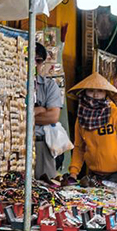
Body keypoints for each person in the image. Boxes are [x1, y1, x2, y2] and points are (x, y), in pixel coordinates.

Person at [67, 73, 117, 184]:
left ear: (106, 94)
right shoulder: (81, 119)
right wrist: (73, 173)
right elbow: (79, 148)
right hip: (93, 176)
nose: (95, 95)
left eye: (100, 91)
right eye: (91, 90)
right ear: (84, 92)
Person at [33, 44, 66, 180]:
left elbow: (53, 116)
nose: (33, 64)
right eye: (29, 59)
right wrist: (40, 110)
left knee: (45, 188)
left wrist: (25, 115)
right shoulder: (16, 83)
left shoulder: (49, 86)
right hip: (18, 144)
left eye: (38, 60)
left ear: (43, 63)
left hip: (42, 145)